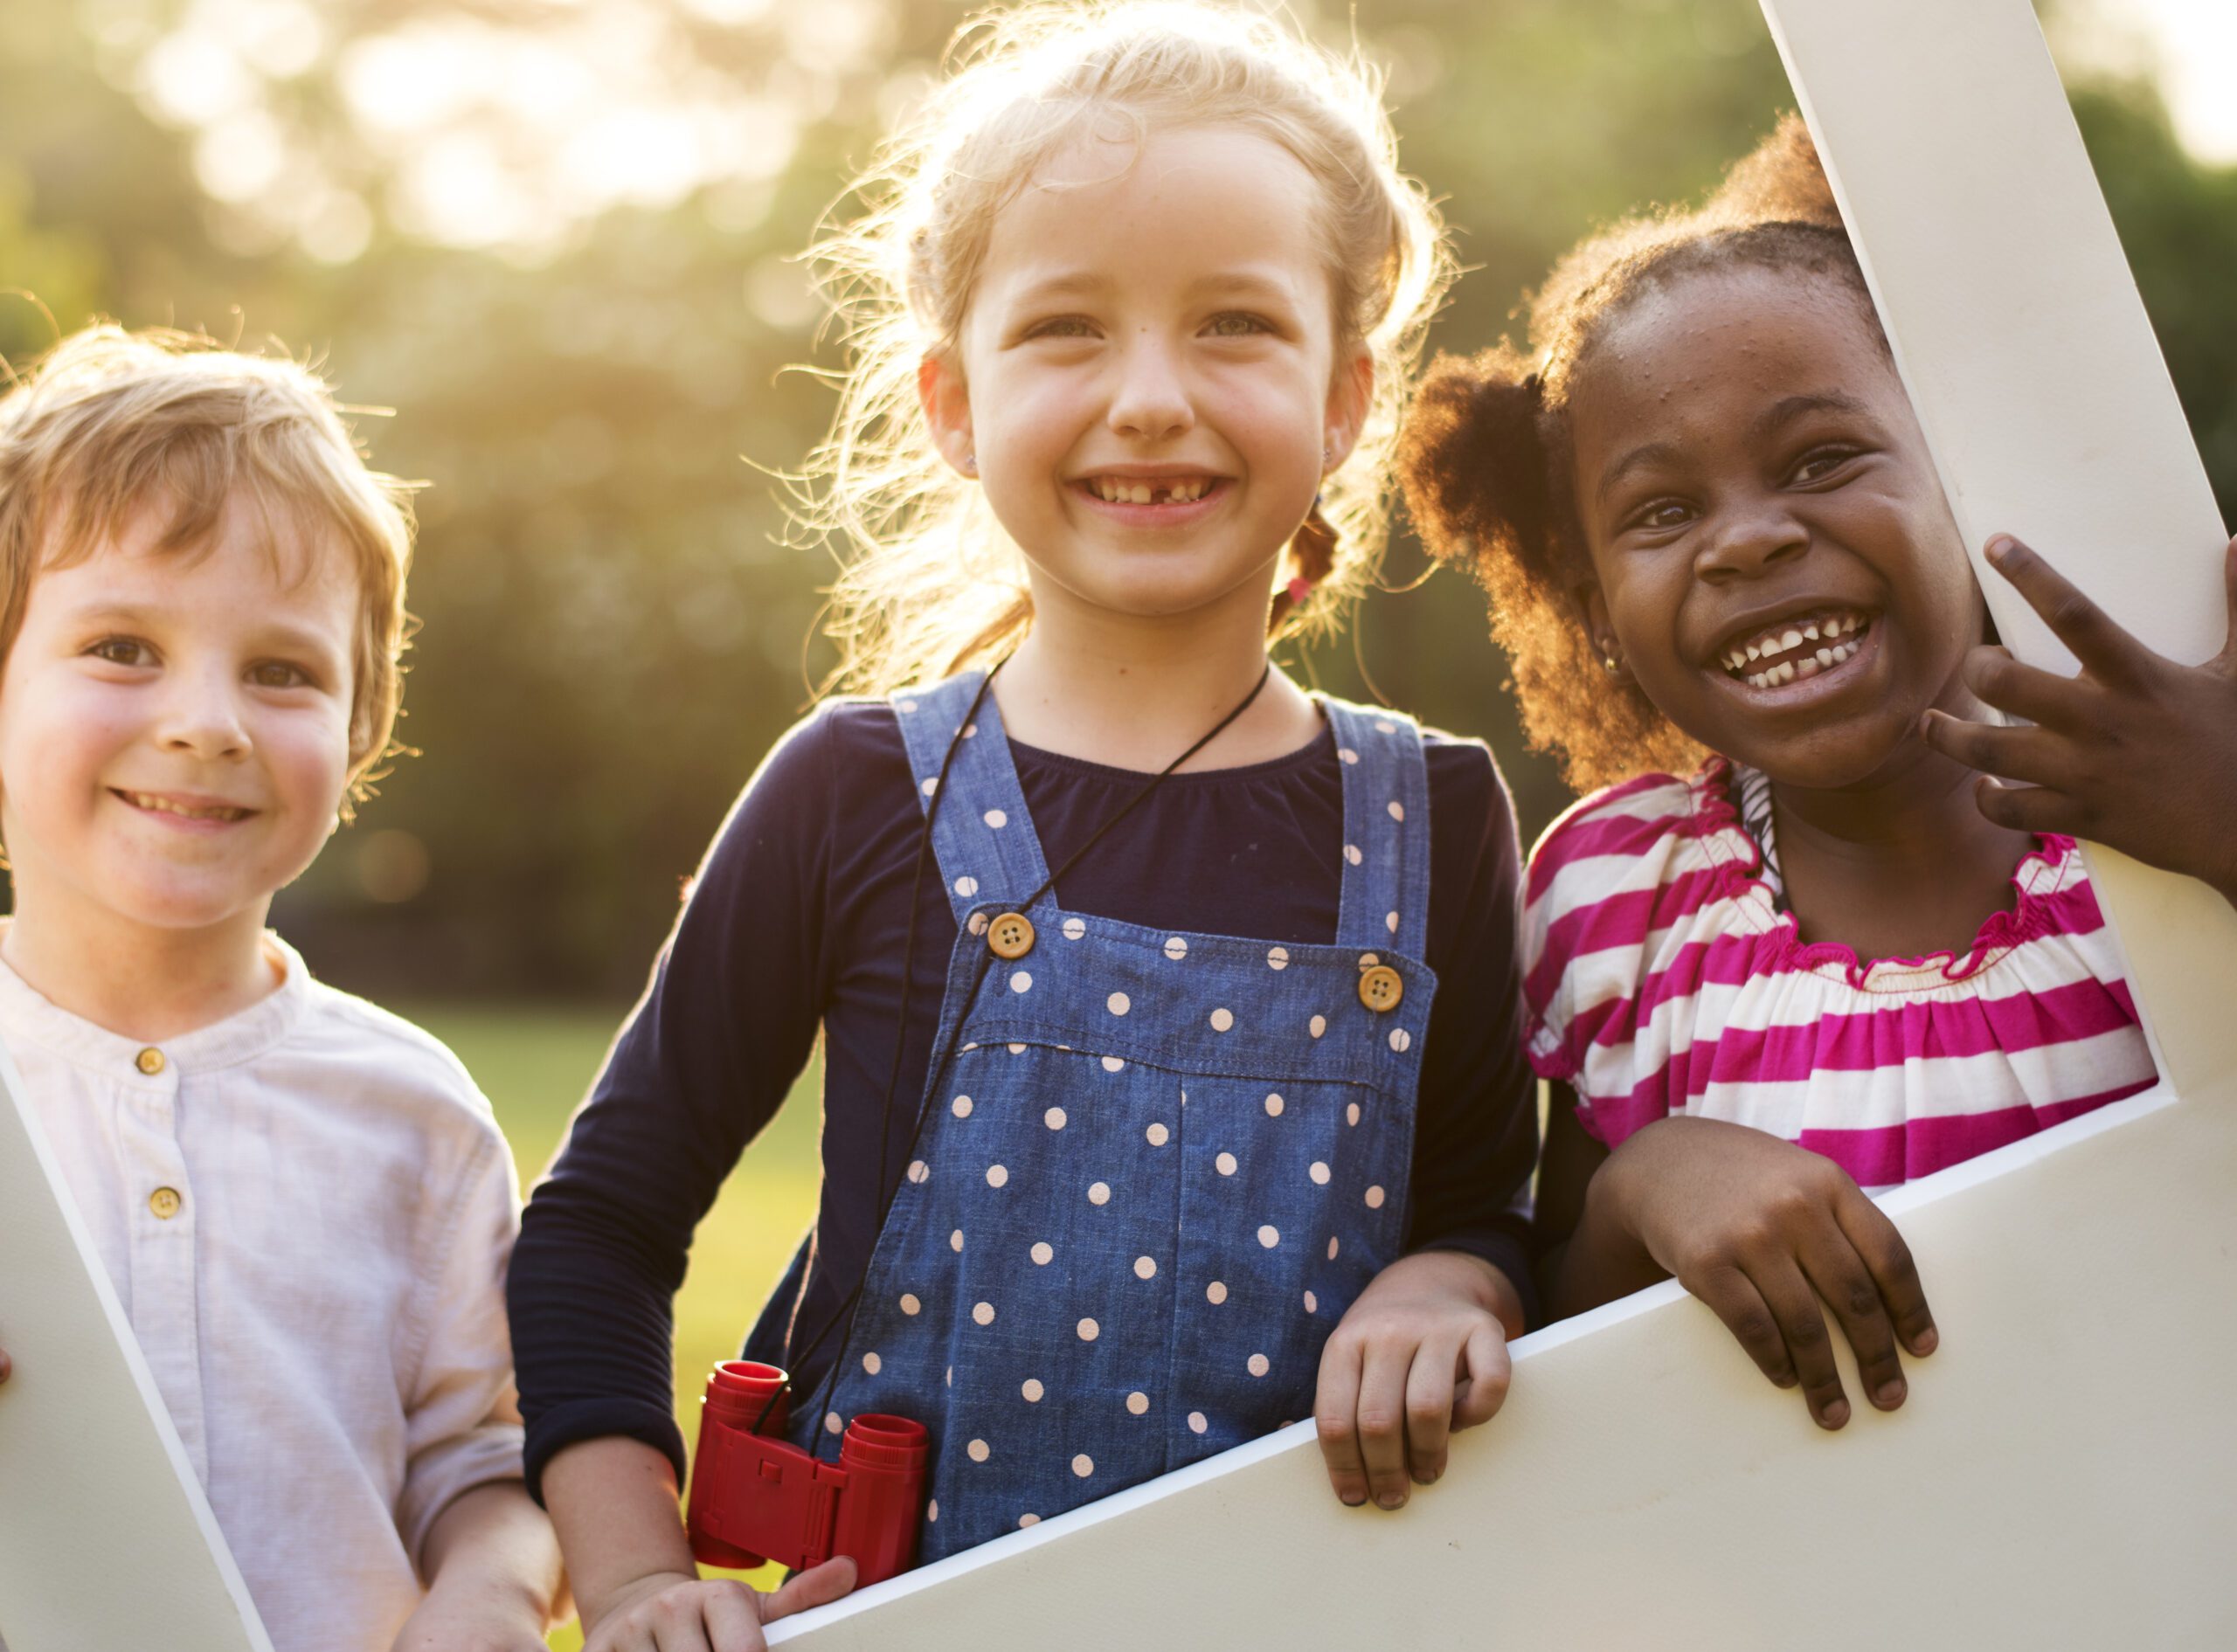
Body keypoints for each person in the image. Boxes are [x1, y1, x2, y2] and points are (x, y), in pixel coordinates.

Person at [507, 4, 1539, 1648]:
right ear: (952, 402)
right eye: (1066, 328)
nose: (1149, 397)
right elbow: (597, 1230)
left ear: (1344, 398)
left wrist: (1452, 1279)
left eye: (1233, 326)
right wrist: (635, 1578)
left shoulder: (1437, 816)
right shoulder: (854, 790)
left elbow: (1493, 1209)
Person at [1398, 116, 2234, 1436]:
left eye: (1821, 459)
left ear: (1963, 474)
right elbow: (1575, 1359)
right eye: (1662, 514)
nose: (1748, 541)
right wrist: (1646, 1187)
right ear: (1595, 603)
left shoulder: (2172, 767)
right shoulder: (1621, 899)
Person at [0, 326, 564, 1651]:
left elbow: (488, 1463)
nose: (209, 720)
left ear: (361, 728)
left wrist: (486, 1596)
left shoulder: (410, 1116)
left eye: (282, 670)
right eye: (123, 647)